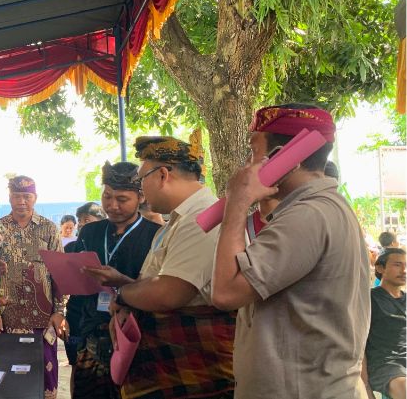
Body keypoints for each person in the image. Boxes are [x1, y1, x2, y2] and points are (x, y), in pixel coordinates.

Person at [212, 104, 370, 399]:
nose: (248, 164)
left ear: (287, 160)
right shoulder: (318, 209)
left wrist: (237, 202)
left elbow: (225, 293)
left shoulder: (309, 215)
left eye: (253, 151)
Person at [87, 135, 234, 398]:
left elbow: (169, 293)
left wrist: (123, 295)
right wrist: (125, 283)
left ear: (163, 175)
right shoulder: (178, 222)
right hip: (170, 366)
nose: (141, 190)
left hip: (193, 367)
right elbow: (161, 284)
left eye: (141, 180)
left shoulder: (202, 219)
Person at [66, 162, 161, 399]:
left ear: (140, 197)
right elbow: (78, 286)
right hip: (91, 333)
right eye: (107, 197)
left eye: (122, 199)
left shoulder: (156, 234)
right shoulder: (90, 232)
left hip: (135, 337)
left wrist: (121, 281)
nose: (112, 205)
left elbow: (159, 287)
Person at [0, 175, 64, 399]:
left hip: (43, 316)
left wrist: (60, 311)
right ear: (10, 198)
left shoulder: (49, 229)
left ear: (35, 198)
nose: (22, 201)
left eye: (26, 196)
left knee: (45, 376)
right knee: (9, 376)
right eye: (17, 196)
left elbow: (59, 272)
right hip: (6, 317)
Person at [363, 248, 406, 399]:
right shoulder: (369, 300)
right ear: (380, 268)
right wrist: (366, 387)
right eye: (397, 265)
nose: (404, 270)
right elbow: (359, 345)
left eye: (406, 265)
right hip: (386, 365)